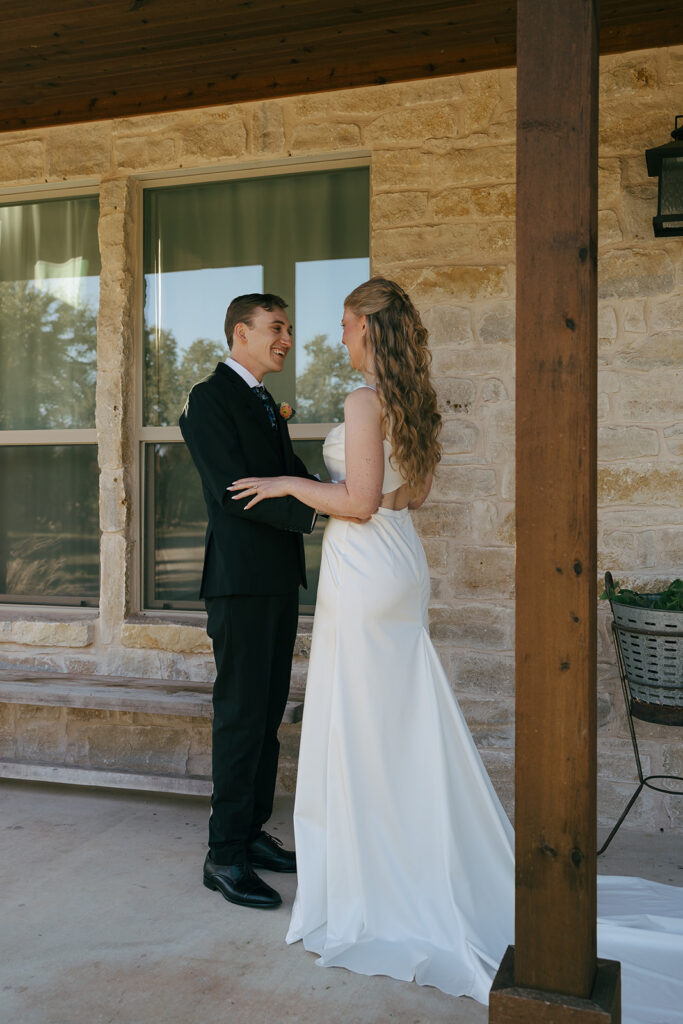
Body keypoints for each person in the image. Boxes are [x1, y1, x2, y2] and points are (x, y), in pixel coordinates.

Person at [230, 279, 683, 1023]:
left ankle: (376, 881)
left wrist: (290, 483)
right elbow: (413, 497)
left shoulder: (361, 401)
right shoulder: (412, 399)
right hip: (400, 564)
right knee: (398, 721)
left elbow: (363, 502)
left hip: (365, 567)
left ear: (369, 331)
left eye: (345, 327)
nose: (339, 338)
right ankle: (399, 855)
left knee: (363, 724)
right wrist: (346, 488)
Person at [180, 293, 316, 911]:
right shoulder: (210, 399)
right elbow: (238, 491)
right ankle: (224, 854)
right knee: (240, 717)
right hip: (239, 583)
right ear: (241, 332)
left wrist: (339, 491)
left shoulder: (265, 402)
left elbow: (286, 469)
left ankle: (252, 831)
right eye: (276, 328)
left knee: (266, 716)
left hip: (276, 580)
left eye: (287, 328)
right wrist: (319, 510)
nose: (286, 338)